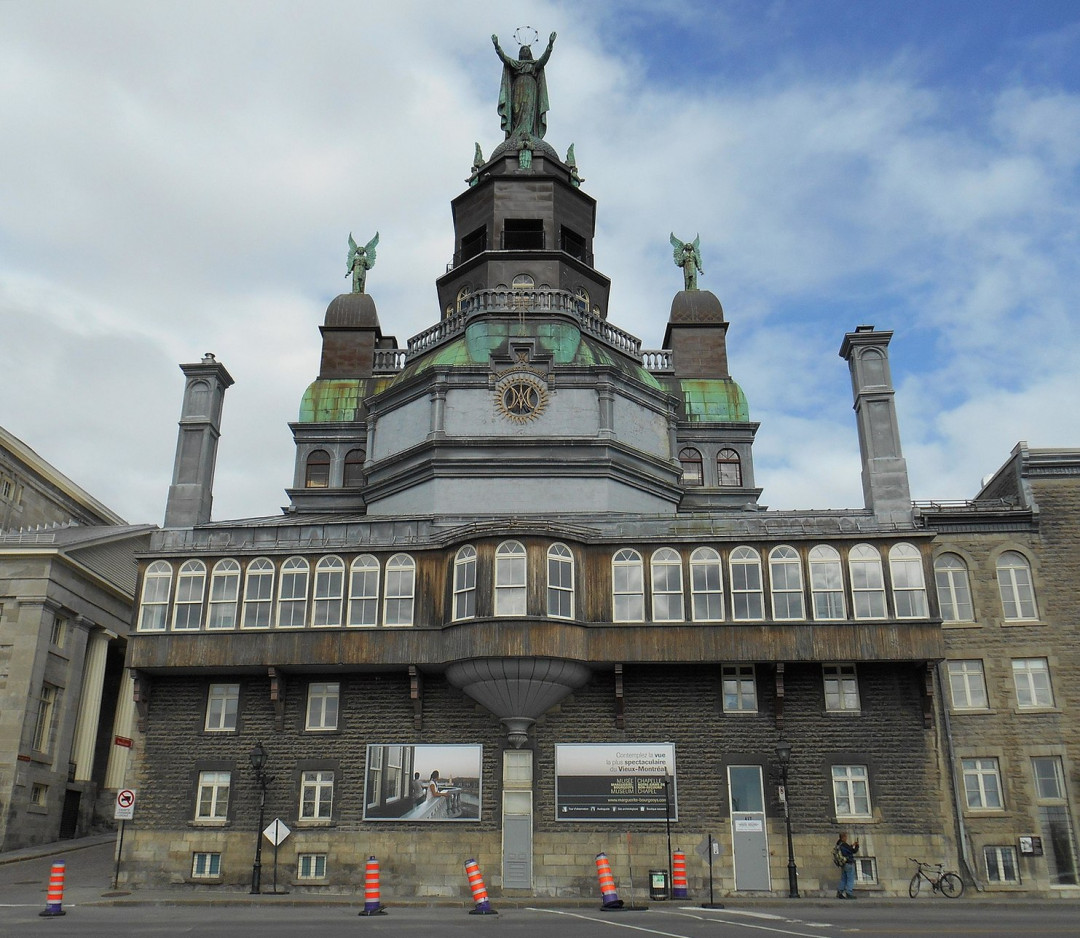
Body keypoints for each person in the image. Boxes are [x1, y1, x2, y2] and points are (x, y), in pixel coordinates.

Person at [492, 32, 557, 141]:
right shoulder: (516, 64)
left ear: (530, 53)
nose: (524, 52)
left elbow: (543, 60)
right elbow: (505, 58)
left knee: (528, 109)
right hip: (517, 88)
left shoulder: (534, 65)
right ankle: (516, 132)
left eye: (526, 50)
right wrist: (497, 46)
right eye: (522, 50)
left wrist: (550, 45)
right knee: (516, 109)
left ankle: (528, 131)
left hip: (531, 88)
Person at [835, 831, 860, 898]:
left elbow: (847, 849)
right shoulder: (844, 845)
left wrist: (852, 845)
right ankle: (849, 893)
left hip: (843, 863)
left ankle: (839, 892)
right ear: (843, 837)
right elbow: (853, 851)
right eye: (846, 837)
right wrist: (857, 846)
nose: (846, 838)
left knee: (843, 878)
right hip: (849, 863)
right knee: (850, 878)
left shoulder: (839, 844)